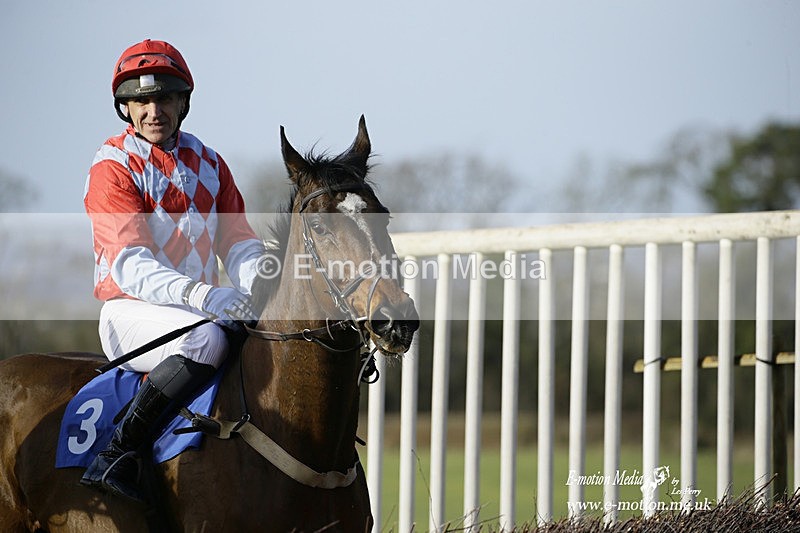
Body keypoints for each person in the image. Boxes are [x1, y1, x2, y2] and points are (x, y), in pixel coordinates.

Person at [80, 39, 266, 503]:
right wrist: (206, 298)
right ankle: (118, 452)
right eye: (141, 100)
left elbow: (239, 240)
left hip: (199, 312)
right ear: (125, 107)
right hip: (131, 312)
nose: (153, 110)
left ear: (183, 102)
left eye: (164, 98)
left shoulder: (209, 161)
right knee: (207, 339)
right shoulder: (112, 166)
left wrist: (256, 284)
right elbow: (130, 265)